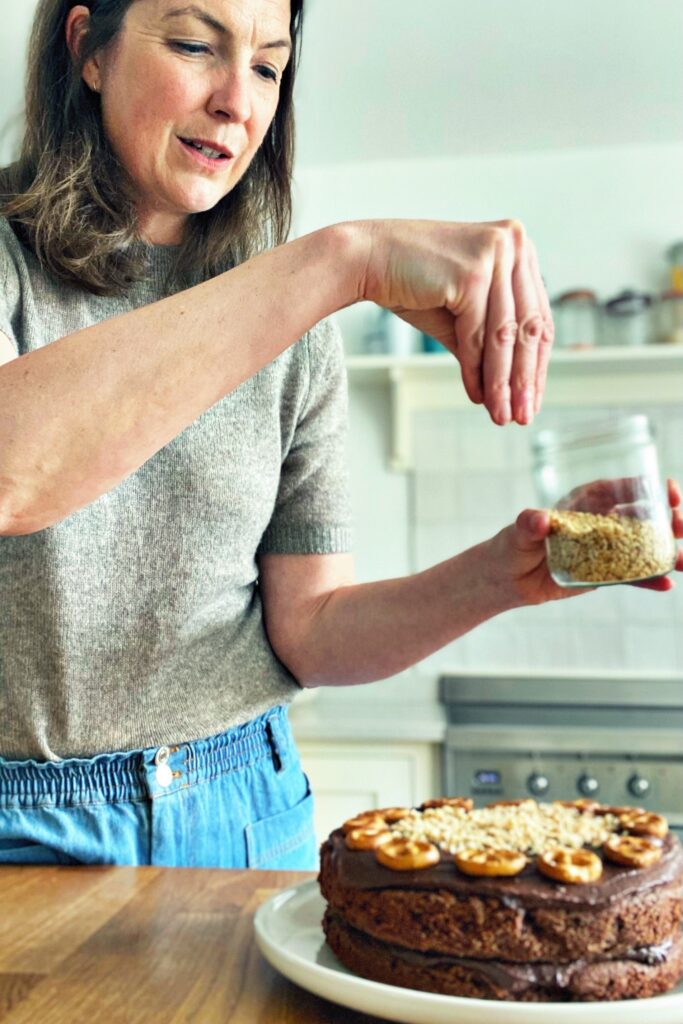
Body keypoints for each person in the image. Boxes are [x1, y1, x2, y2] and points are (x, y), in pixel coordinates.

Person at [0, 0, 680, 871]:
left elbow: (311, 632)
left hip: (245, 810)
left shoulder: (294, 317)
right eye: (194, 45)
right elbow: (14, 473)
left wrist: (514, 571)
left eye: (268, 67)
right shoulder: (28, 265)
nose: (237, 102)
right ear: (87, 48)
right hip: (25, 827)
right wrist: (341, 259)